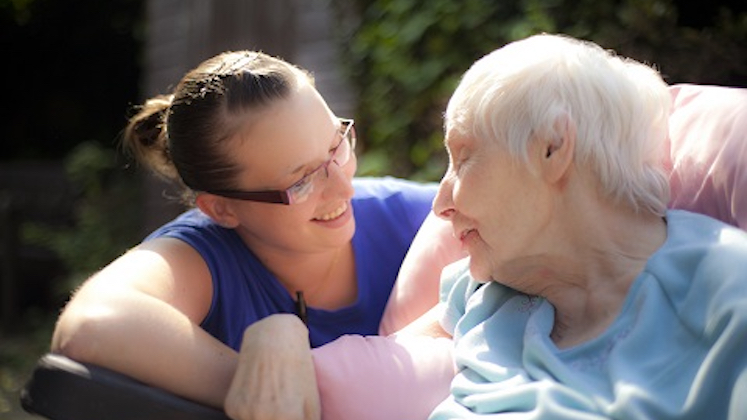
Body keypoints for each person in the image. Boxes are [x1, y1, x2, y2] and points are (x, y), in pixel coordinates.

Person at [49, 50, 442, 418]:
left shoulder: (422, 219)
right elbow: (91, 325)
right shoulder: (203, 255)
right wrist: (263, 378)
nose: (344, 188)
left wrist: (312, 379)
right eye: (302, 181)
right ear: (222, 209)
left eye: (337, 146)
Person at [424, 33, 747, 419]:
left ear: (553, 147)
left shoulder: (726, 296)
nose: (440, 206)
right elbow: (381, 364)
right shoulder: (483, 288)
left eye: (463, 158)